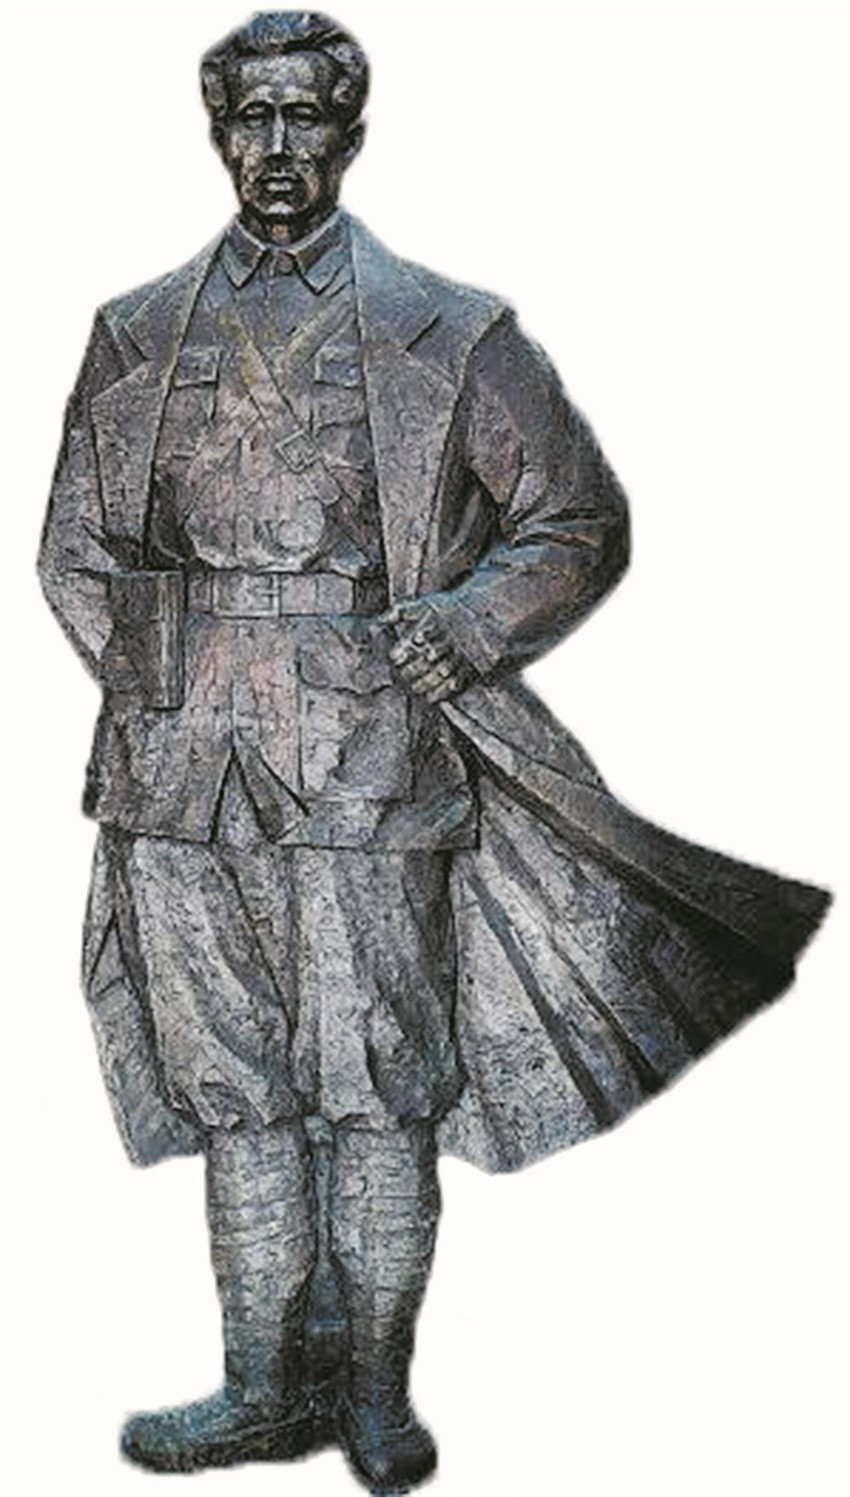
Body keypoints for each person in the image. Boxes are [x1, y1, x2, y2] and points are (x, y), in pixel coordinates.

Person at [37, 11, 829, 1494]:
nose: (278, 146)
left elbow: (575, 520)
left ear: (351, 132)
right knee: (237, 1094)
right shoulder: (133, 330)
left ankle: (376, 1395)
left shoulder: (449, 333)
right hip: (176, 786)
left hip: (376, 767)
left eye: (305, 117)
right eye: (253, 118)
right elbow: (74, 551)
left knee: (379, 1086)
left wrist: (465, 627)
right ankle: (263, 1388)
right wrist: (160, 683)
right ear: (218, 133)